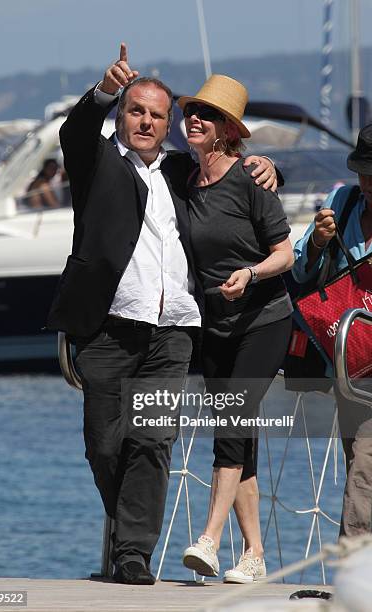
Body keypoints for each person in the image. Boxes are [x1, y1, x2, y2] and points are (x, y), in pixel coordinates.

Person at [47, 43, 279, 585]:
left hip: (173, 329)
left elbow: (229, 175)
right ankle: (126, 525)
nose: (147, 121)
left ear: (168, 123)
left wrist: (266, 166)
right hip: (109, 326)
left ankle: (134, 552)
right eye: (136, 110)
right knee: (105, 444)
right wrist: (104, 90)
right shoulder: (97, 159)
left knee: (152, 443)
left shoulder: (179, 170)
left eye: (157, 114)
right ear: (122, 116)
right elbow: (73, 133)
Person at [179, 75, 294, 582]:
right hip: (215, 325)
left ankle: (209, 539)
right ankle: (254, 556)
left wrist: (249, 274)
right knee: (237, 435)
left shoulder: (251, 179)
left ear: (228, 129)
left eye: (207, 114)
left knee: (230, 422)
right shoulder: (184, 178)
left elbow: (286, 254)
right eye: (190, 113)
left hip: (264, 320)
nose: (194, 120)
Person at [292, 123, 372, 537]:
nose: (369, 183)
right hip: (347, 364)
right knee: (358, 463)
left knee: (365, 470)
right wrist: (320, 243)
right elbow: (302, 271)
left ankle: (354, 577)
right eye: (364, 172)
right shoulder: (342, 201)